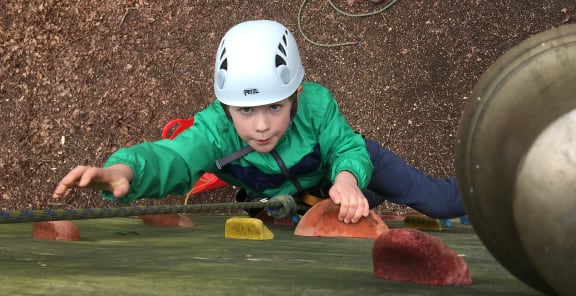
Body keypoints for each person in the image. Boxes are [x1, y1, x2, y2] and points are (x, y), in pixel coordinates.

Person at [52, 20, 465, 224]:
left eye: (275, 107)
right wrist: (122, 172)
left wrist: (347, 178)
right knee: (347, 220)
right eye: (246, 111)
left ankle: (496, 189)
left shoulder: (316, 105)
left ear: (296, 96)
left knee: (438, 202)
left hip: (344, 165)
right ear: (225, 107)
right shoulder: (217, 131)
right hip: (293, 195)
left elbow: (345, 146)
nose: (262, 126)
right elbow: (174, 157)